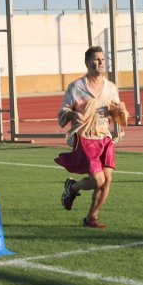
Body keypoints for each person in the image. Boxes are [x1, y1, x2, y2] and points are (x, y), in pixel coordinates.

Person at [54, 46, 128, 228]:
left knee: (107, 179)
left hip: (104, 136)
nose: (100, 62)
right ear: (87, 62)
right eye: (96, 59)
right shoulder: (76, 87)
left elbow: (117, 110)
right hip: (85, 138)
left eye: (102, 59)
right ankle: (72, 188)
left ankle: (91, 218)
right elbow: (63, 111)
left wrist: (119, 110)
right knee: (97, 180)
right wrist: (71, 115)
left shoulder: (110, 87)